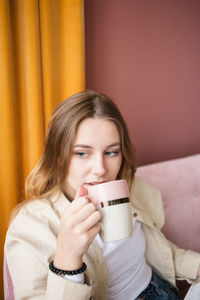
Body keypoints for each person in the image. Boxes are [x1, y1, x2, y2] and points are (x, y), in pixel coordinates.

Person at [4, 90, 200, 300]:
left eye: (111, 152)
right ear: (58, 156)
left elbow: (164, 253)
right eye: (81, 153)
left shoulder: (130, 189)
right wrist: (68, 258)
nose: (100, 169)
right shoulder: (29, 226)